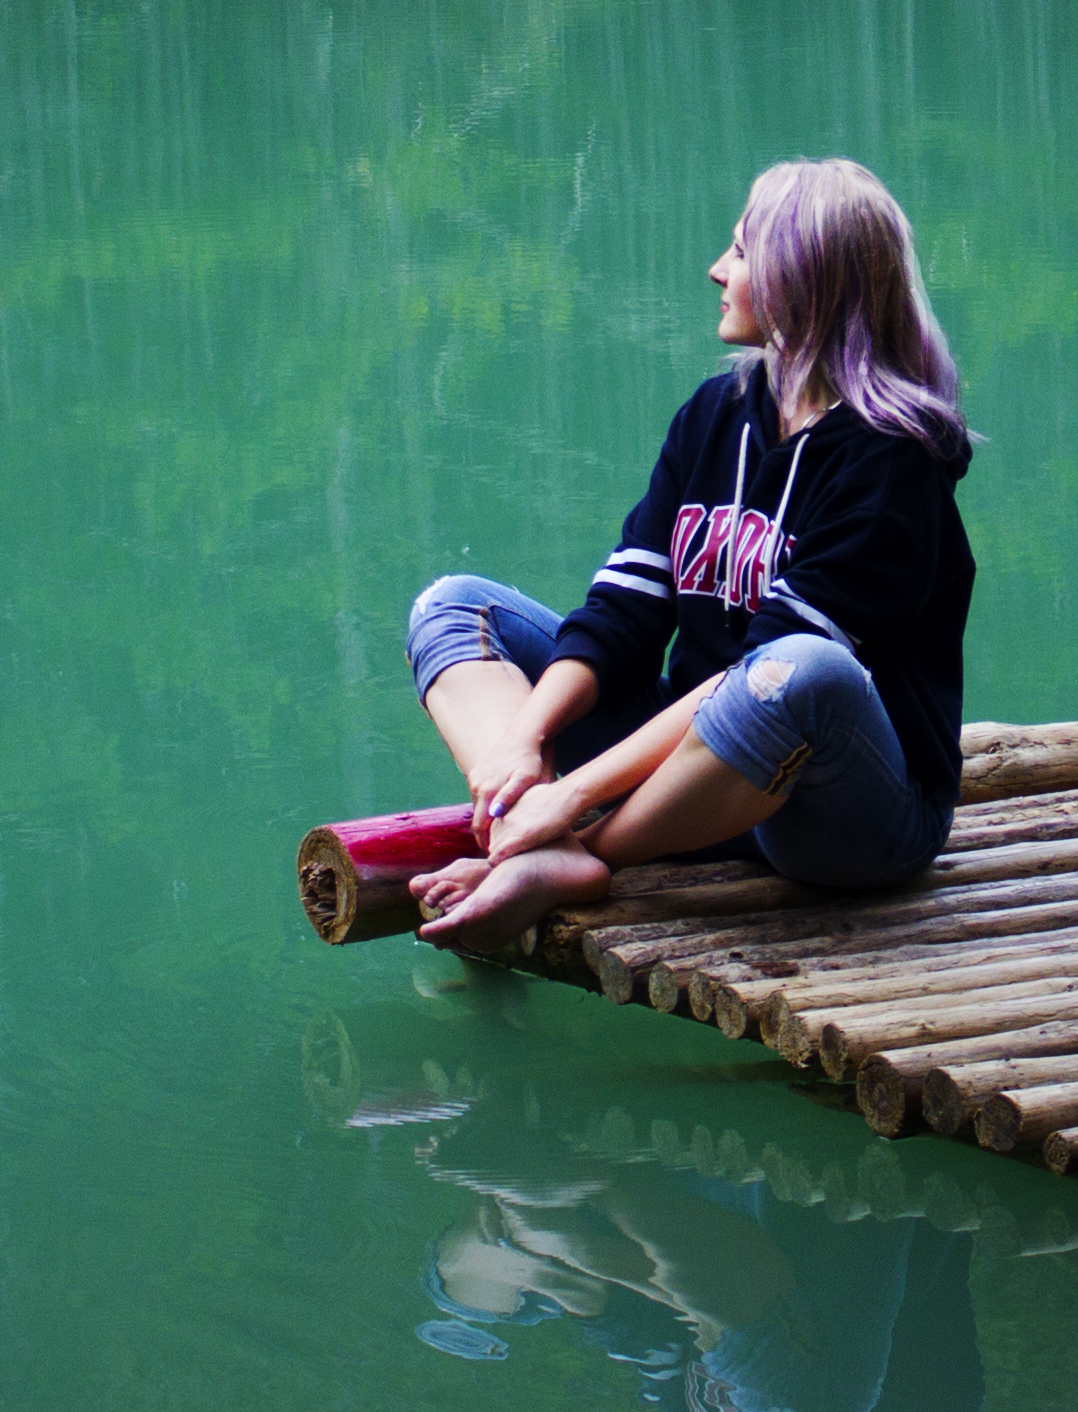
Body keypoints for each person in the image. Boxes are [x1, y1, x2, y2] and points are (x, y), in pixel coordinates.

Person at [404, 158, 977, 949]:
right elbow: (624, 610)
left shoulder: (893, 464)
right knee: (456, 606)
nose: (717, 269)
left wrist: (571, 809)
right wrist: (525, 746)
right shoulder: (715, 413)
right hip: (694, 785)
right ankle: (523, 817)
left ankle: (577, 856)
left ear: (801, 278)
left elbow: (767, 675)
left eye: (740, 253)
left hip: (838, 819)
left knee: (800, 670)